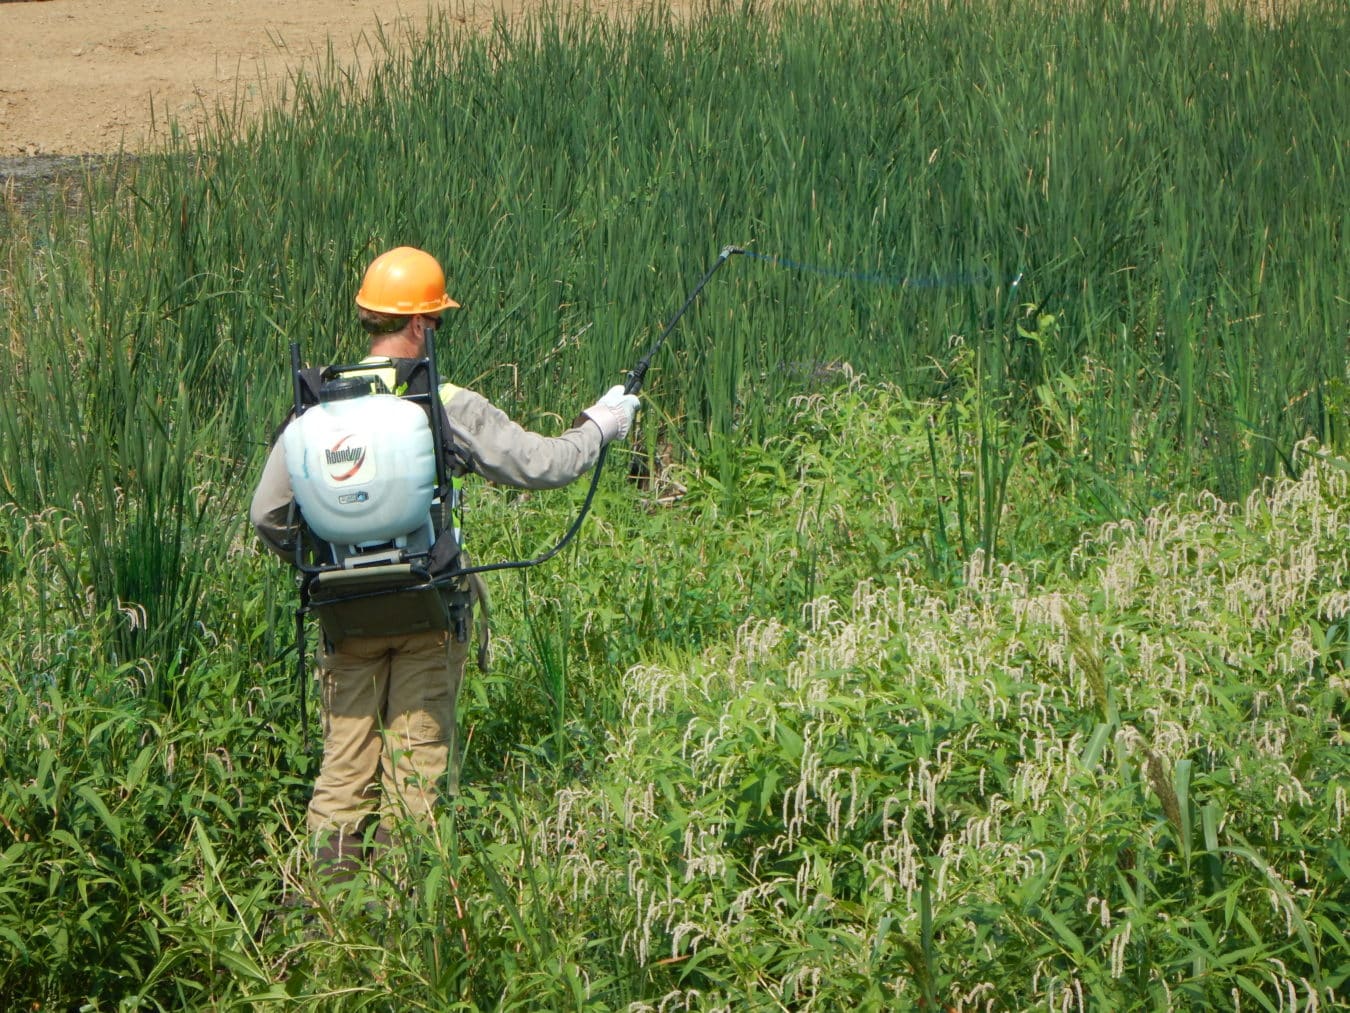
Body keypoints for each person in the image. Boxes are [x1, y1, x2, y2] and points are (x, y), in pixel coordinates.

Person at [249, 245, 639, 882]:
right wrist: (601, 425)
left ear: (371, 317)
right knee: (417, 775)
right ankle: (405, 926)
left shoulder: (317, 407)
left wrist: (328, 567)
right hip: (428, 609)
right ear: (420, 324)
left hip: (344, 616)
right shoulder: (444, 402)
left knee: (343, 773)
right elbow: (542, 465)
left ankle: (322, 926)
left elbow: (268, 513)